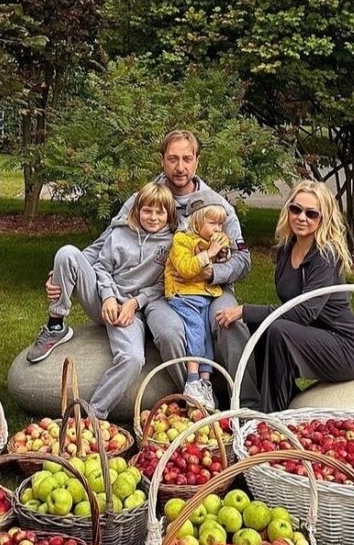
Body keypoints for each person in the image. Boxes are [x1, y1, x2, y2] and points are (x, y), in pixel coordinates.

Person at [32, 129, 253, 383]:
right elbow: (106, 241)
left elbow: (243, 260)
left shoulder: (217, 205)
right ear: (162, 160)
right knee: (170, 331)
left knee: (229, 322)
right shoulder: (144, 199)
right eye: (173, 159)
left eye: (187, 159)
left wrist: (213, 272)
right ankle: (193, 394)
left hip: (209, 286)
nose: (180, 167)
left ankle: (247, 403)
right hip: (161, 292)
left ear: (197, 161)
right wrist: (62, 274)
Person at [217, 179, 354, 413]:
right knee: (264, 331)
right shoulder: (286, 248)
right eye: (296, 209)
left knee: (277, 330)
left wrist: (245, 310)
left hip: (348, 346)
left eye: (311, 213)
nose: (302, 217)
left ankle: (271, 418)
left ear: (324, 218)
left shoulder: (325, 256)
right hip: (315, 334)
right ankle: (257, 404)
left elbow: (304, 311)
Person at [26, 182, 176, 419]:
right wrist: (107, 296)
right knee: (67, 253)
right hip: (102, 301)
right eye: (147, 210)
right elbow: (101, 267)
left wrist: (134, 303)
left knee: (133, 359)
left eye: (160, 212)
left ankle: (94, 413)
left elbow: (163, 286)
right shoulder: (119, 233)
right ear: (137, 211)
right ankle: (56, 324)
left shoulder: (171, 244)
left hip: (130, 313)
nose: (153, 217)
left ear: (169, 215)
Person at [163, 202, 231, 410]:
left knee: (206, 338)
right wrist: (209, 253)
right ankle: (192, 380)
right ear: (197, 222)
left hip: (204, 296)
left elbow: (224, 259)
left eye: (221, 224)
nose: (218, 229)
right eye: (212, 223)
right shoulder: (181, 240)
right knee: (195, 331)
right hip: (182, 296)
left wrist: (222, 253)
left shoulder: (212, 240)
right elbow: (184, 268)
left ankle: (205, 381)